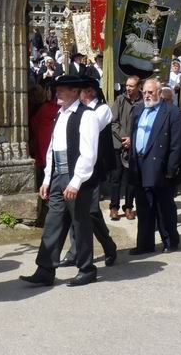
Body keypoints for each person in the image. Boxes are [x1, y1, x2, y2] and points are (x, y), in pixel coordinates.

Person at [20, 75, 100, 288]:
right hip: (57, 175)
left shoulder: (87, 116)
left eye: (62, 89)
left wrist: (76, 181)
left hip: (75, 176)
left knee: (80, 223)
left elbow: (89, 153)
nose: (58, 93)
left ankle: (86, 268)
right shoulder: (60, 114)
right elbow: (52, 149)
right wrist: (47, 178)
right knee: (53, 222)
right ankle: (45, 269)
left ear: (74, 92)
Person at [59, 79, 117, 269]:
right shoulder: (72, 111)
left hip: (93, 169)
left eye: (80, 91)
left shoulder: (101, 110)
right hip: (73, 168)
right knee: (74, 210)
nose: (77, 95)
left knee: (91, 212)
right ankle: (75, 251)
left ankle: (108, 245)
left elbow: (88, 130)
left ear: (90, 92)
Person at [128, 78, 181, 255]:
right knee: (144, 206)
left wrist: (171, 169)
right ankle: (145, 244)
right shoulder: (138, 110)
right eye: (144, 92)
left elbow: (177, 144)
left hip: (160, 164)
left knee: (164, 206)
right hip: (139, 162)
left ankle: (170, 240)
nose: (147, 96)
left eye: (151, 92)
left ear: (160, 93)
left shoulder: (172, 112)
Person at [109, 75, 140, 221]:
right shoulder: (120, 100)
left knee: (131, 179)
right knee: (116, 178)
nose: (128, 88)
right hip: (118, 144)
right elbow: (114, 122)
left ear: (138, 87)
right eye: (127, 85)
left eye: (131, 86)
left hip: (134, 146)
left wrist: (132, 139)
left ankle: (128, 207)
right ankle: (114, 207)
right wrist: (124, 138)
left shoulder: (143, 102)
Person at [29, 82, 60, 188]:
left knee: (45, 165)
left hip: (44, 139)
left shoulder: (47, 107)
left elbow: (34, 122)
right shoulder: (53, 107)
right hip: (46, 139)